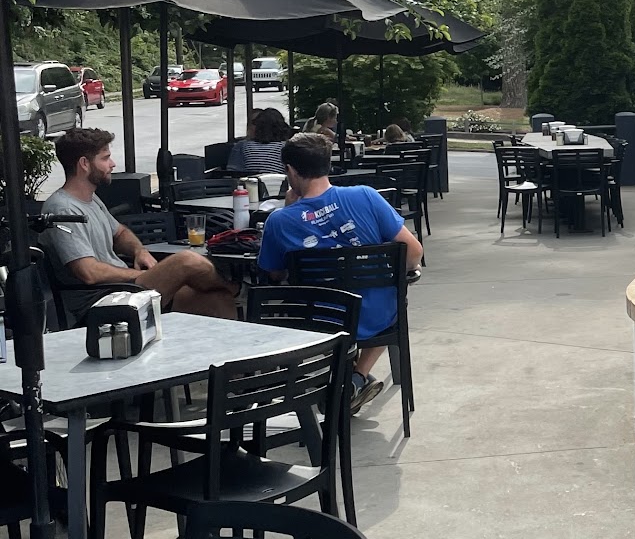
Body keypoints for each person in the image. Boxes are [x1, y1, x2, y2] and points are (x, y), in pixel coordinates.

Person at [257, 131, 423, 413]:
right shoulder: (366, 196)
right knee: (396, 299)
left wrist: (289, 209)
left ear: (290, 171)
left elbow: (273, 275)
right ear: (328, 164)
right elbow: (414, 252)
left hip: (318, 318)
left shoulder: (279, 221)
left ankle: (339, 381)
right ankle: (355, 379)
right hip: (374, 314)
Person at [41, 128, 238, 319]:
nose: (112, 164)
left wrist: (139, 251)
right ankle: (237, 289)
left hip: (125, 288)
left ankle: (234, 312)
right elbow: (89, 272)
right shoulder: (63, 209)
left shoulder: (91, 199)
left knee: (218, 300)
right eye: (105, 158)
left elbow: (120, 233)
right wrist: (137, 275)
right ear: (84, 164)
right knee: (186, 261)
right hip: (101, 301)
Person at [226, 107, 293, 177]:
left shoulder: (243, 146)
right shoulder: (286, 147)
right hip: (279, 182)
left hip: (251, 183)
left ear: (258, 127)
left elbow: (233, 172)